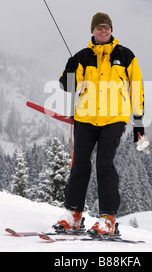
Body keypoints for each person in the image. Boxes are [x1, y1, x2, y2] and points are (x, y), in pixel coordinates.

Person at [54, 12, 146, 236]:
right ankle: (73, 216)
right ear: (92, 31)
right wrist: (70, 69)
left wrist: (138, 121)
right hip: (85, 120)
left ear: (111, 30)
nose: (103, 30)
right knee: (79, 166)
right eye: (99, 27)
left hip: (114, 121)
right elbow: (68, 87)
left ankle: (108, 219)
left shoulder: (125, 56)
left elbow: (137, 86)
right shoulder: (82, 56)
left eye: (106, 27)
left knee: (104, 166)